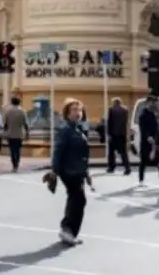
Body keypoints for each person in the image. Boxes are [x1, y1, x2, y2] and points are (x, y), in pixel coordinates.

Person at [49, 98, 93, 246]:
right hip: (69, 171)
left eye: (79, 110)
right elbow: (58, 151)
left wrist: (87, 173)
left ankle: (68, 230)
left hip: (78, 170)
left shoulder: (78, 129)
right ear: (67, 113)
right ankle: (68, 229)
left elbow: (83, 154)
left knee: (77, 198)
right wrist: (54, 171)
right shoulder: (66, 130)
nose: (77, 112)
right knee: (78, 198)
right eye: (74, 110)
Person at [136, 95, 159, 189]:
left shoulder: (155, 113)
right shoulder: (143, 114)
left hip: (156, 141)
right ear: (148, 103)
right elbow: (142, 128)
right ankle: (141, 180)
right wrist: (148, 137)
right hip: (146, 141)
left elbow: (158, 125)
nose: (154, 104)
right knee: (143, 161)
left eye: (155, 102)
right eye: (152, 102)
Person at [2, 95, 29, 172]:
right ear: (19, 102)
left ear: (12, 102)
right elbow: (25, 123)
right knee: (17, 150)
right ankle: (16, 164)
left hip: (10, 134)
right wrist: (27, 132)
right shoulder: (23, 111)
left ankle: (14, 165)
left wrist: (5, 131)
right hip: (19, 134)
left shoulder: (8, 111)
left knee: (12, 150)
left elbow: (5, 124)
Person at [104, 97, 130, 175]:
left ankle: (111, 167)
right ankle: (127, 168)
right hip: (122, 134)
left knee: (111, 153)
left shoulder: (111, 109)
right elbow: (126, 122)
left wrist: (108, 134)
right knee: (123, 152)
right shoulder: (125, 110)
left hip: (113, 134)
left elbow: (109, 122)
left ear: (114, 102)